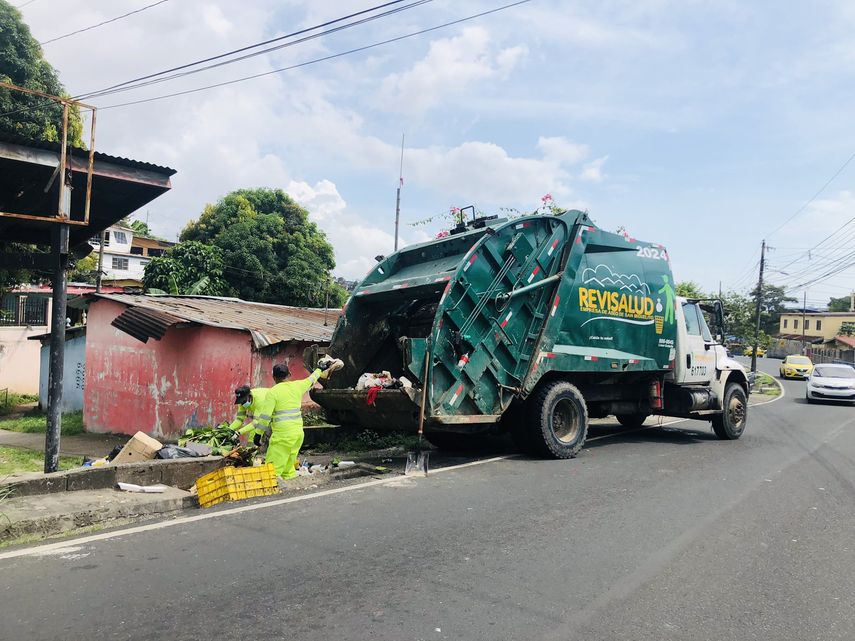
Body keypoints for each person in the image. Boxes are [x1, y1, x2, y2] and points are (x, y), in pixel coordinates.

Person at [266, 360, 334, 480]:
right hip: (297, 434)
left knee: (272, 469)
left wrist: (257, 434)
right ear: (289, 374)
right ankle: (290, 481)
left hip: (282, 436)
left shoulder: (272, 392)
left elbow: (264, 417)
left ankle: (271, 486)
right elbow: (312, 379)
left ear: (274, 377)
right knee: (289, 465)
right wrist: (320, 369)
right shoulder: (298, 386)